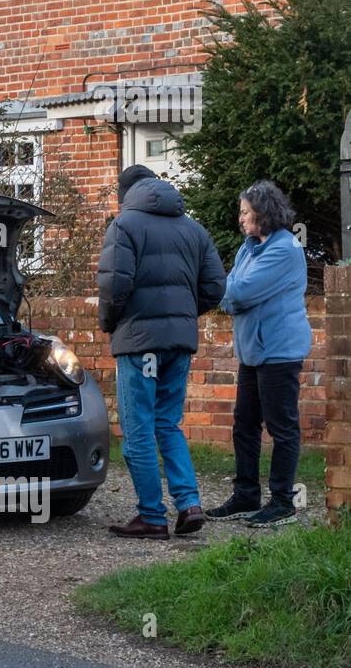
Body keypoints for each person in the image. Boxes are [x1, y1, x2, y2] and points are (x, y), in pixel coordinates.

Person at [98, 164, 226, 539]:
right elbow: (215, 286)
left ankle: (152, 516)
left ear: (125, 195)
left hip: (139, 344)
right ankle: (189, 504)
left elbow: (114, 286)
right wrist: (181, 316)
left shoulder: (123, 226)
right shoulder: (194, 228)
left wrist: (110, 324)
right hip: (178, 343)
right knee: (167, 424)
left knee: (137, 430)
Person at [206, 181, 311, 528]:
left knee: (282, 427)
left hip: (279, 351)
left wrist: (231, 294)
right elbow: (229, 293)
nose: (241, 218)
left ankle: (282, 502)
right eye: (241, 211)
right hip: (253, 352)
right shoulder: (248, 248)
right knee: (244, 425)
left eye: (246, 212)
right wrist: (230, 293)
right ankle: (246, 495)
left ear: (264, 213)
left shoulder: (285, 249)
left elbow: (241, 292)